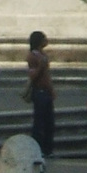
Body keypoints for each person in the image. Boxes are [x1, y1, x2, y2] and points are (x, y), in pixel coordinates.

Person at [27, 30, 55, 158]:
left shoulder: (43, 54)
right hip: (40, 91)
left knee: (49, 121)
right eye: (44, 38)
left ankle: (48, 149)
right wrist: (40, 67)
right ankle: (37, 148)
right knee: (39, 122)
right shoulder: (33, 56)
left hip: (46, 90)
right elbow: (33, 75)